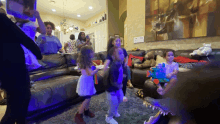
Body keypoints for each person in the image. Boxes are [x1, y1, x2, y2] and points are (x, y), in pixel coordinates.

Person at [0, 12, 42, 124]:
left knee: (13, 106)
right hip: (15, 67)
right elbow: (22, 37)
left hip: (7, 69)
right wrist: (38, 53)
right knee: (16, 107)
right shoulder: (2, 19)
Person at [145, 50, 179, 124]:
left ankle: (164, 91)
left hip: (171, 78)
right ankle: (159, 87)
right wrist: (152, 69)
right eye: (168, 55)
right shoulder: (162, 63)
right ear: (164, 57)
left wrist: (171, 73)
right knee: (152, 78)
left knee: (174, 80)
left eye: (172, 55)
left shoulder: (175, 64)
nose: (170, 57)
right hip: (163, 78)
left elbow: (176, 71)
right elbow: (156, 68)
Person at [102, 37, 133, 102]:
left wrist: (126, 62)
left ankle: (123, 95)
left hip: (122, 68)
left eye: (119, 41)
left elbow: (126, 56)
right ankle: (115, 95)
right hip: (116, 68)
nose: (118, 42)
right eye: (116, 41)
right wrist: (104, 69)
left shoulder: (123, 49)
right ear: (113, 43)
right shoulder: (112, 51)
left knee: (123, 81)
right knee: (116, 82)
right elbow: (108, 60)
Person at [74, 46, 99, 124]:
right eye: (92, 52)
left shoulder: (87, 61)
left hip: (87, 81)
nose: (93, 53)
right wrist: (97, 70)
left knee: (89, 96)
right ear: (87, 54)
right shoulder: (86, 62)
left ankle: (86, 111)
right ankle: (78, 114)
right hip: (86, 82)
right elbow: (90, 73)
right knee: (87, 98)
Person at [104, 46, 125, 124]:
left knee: (120, 99)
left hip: (117, 87)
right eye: (120, 53)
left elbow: (119, 73)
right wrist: (120, 86)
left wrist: (122, 76)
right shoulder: (114, 67)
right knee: (113, 103)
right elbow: (113, 81)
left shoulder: (120, 63)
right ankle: (109, 117)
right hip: (111, 89)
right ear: (113, 56)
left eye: (122, 52)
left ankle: (115, 111)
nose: (122, 54)